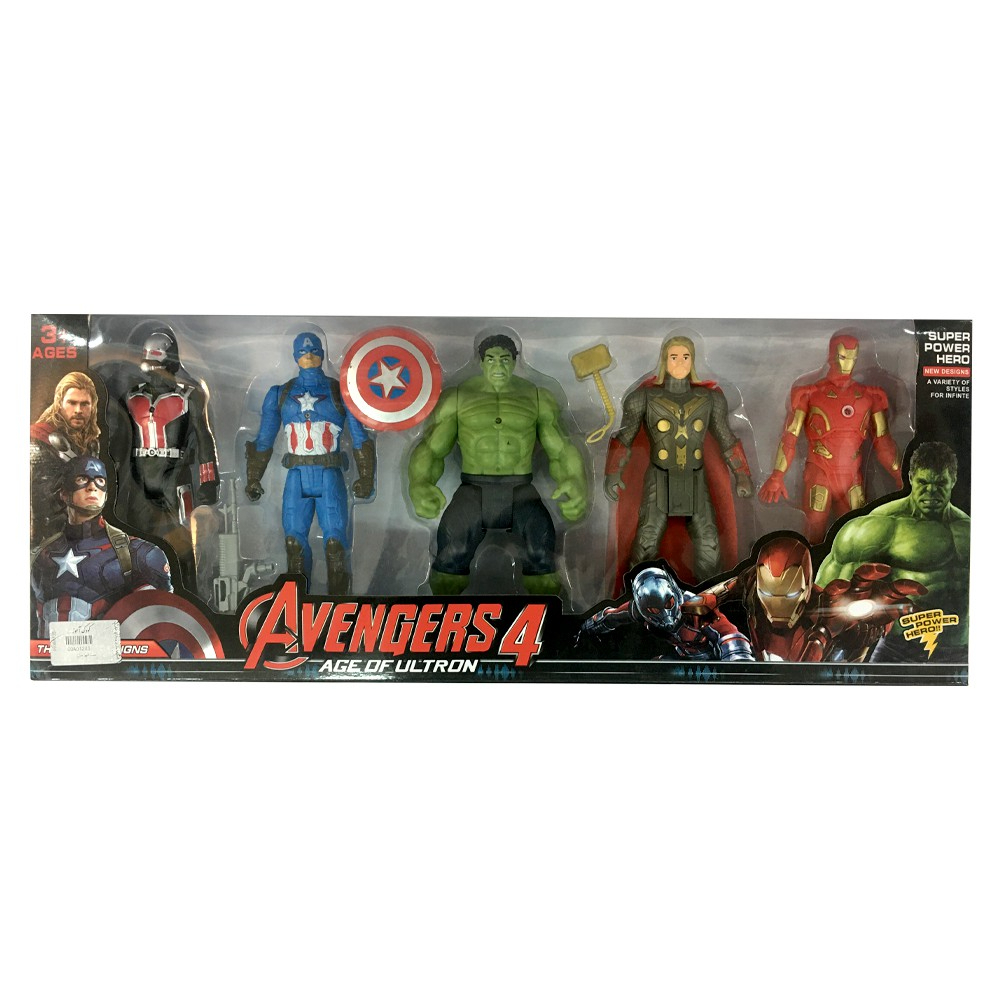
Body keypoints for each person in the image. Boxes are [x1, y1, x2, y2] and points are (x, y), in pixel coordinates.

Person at [407, 327, 587, 595]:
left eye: (505, 359)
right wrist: (419, 483)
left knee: (542, 559)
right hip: (473, 490)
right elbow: (432, 448)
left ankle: (547, 618)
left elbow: (561, 449)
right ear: (481, 362)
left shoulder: (537, 397)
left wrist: (575, 481)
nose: (498, 366)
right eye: (491, 359)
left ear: (515, 361)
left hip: (521, 491)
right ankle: (443, 618)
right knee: (450, 559)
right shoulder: (459, 397)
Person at [605, 331, 753, 582]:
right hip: (659, 477)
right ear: (664, 360)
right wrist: (613, 472)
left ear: (693, 360)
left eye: (686, 356)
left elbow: (725, 437)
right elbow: (625, 437)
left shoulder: (710, 399)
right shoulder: (643, 398)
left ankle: (710, 597)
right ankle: (638, 594)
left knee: (709, 544)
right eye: (674, 357)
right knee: (646, 541)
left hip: (696, 478)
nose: (680, 362)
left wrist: (742, 474)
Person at [245, 330, 375, 592]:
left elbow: (360, 436)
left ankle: (339, 603)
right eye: (303, 352)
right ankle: (297, 601)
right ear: (294, 355)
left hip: (329, 474)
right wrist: (253, 478)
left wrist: (366, 476)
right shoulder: (280, 393)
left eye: (314, 350)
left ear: (323, 353)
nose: (308, 356)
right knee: (293, 543)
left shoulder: (341, 391)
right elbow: (264, 439)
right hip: (297, 474)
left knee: (335, 544)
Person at [816, 441, 969, 662]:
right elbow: (826, 596)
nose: (931, 491)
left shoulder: (970, 530)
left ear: (953, 480)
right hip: (897, 649)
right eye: (923, 482)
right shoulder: (881, 527)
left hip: (962, 650)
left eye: (940, 483)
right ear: (911, 478)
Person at [759, 329, 903, 543]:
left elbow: (883, 442)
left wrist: (900, 475)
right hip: (820, 472)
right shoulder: (809, 393)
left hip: (852, 476)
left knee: (853, 536)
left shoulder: (871, 396)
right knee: (814, 532)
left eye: (853, 357)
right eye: (843, 356)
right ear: (831, 355)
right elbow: (790, 435)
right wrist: (777, 476)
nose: (848, 363)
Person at [31, 456, 172, 639]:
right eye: (82, 479)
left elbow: (162, 627)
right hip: (47, 654)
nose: (92, 487)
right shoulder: (38, 556)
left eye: (100, 481)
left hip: (111, 655)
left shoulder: (138, 554)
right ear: (64, 493)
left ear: (106, 494)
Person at [124, 326, 220, 589]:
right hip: (141, 477)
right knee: (138, 545)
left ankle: (187, 594)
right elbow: (121, 442)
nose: (155, 369)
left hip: (175, 478)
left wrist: (208, 487)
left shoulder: (189, 394)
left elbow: (204, 440)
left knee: (181, 544)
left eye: (159, 362)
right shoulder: (131, 395)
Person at [577, 562, 754, 661]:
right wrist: (583, 631)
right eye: (653, 609)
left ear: (674, 593)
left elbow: (729, 634)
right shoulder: (637, 610)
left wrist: (739, 664)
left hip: (715, 663)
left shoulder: (696, 607)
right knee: (655, 666)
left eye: (668, 603)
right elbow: (608, 617)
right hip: (683, 662)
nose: (664, 614)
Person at [30, 371, 100, 543]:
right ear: (59, 403)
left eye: (85, 404)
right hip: (48, 534)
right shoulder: (39, 439)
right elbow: (38, 499)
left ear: (92, 406)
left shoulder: (91, 442)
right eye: (72, 403)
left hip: (82, 529)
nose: (78, 410)